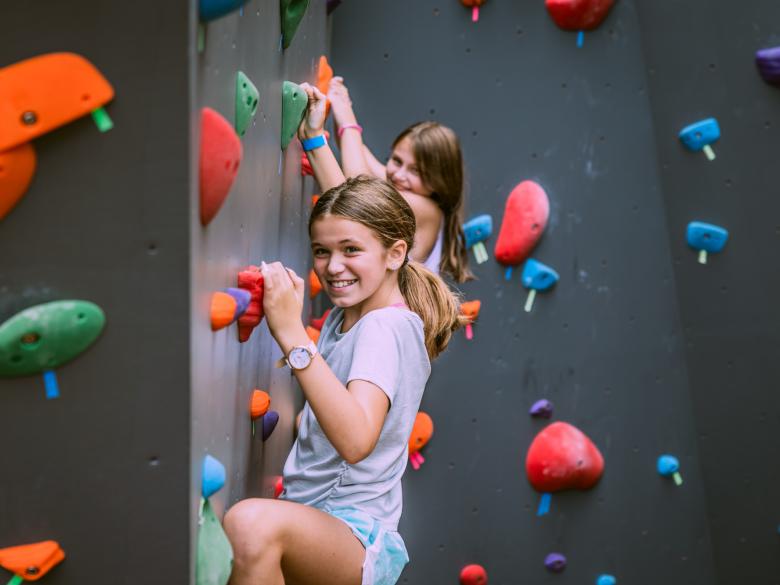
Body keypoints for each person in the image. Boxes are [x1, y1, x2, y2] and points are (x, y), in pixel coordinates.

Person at [224, 84, 464, 585]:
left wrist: (292, 334)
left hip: (350, 532)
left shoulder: (386, 326)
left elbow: (356, 439)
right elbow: (353, 212)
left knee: (250, 525)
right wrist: (316, 139)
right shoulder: (347, 315)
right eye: (321, 251)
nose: (333, 267)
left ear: (396, 255)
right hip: (319, 518)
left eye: (351, 252)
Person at [326, 76, 473, 283]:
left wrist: (348, 121)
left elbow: (357, 184)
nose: (399, 174)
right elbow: (355, 150)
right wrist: (341, 104)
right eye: (396, 160)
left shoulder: (425, 208)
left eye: (416, 171)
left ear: (439, 180)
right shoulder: (402, 188)